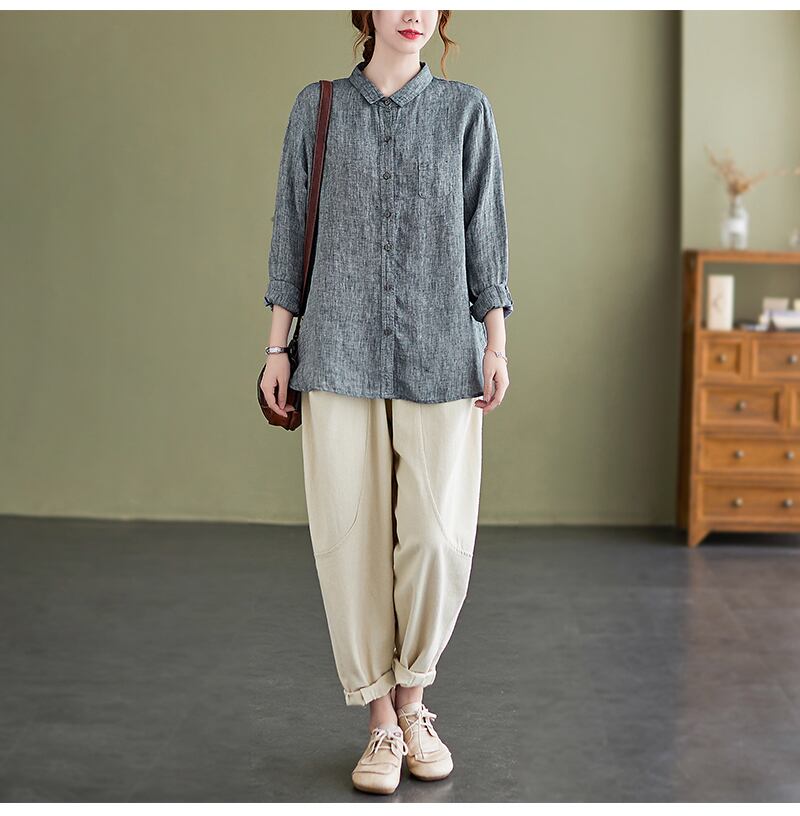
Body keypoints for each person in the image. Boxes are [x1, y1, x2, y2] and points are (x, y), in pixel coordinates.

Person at [260, 9, 514, 795]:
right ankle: (378, 721)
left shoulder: (467, 111)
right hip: (336, 351)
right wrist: (276, 347)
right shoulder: (318, 108)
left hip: (443, 353)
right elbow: (290, 230)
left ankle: (414, 702)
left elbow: (485, 234)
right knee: (352, 542)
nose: (412, 12)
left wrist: (496, 342)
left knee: (436, 539)